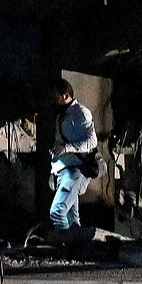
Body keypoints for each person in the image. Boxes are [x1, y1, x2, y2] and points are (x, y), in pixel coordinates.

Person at [47, 78, 97, 240]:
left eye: (56, 98)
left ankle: (64, 246)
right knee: (72, 220)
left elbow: (92, 142)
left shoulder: (80, 113)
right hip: (64, 170)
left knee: (57, 212)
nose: (54, 101)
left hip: (73, 170)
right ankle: (77, 250)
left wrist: (67, 148)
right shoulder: (62, 115)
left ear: (66, 95)